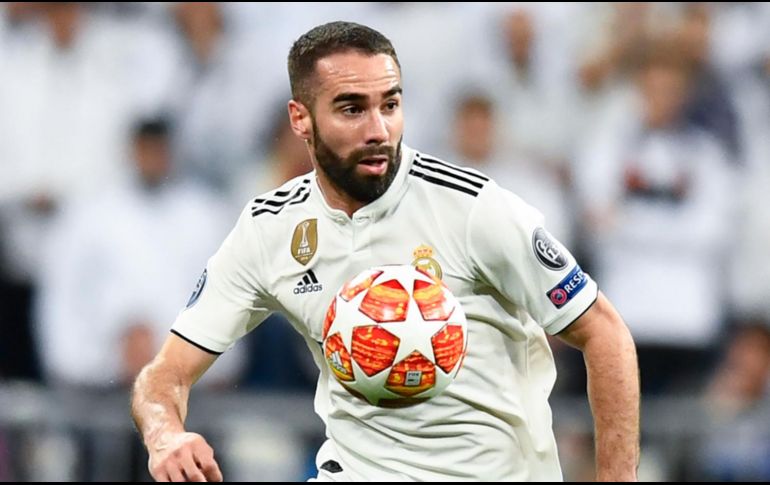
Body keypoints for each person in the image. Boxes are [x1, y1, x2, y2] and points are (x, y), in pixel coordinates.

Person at [131, 21, 639, 481]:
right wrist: (166, 437)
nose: (378, 130)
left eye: (390, 105)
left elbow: (604, 331)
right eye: (352, 108)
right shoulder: (270, 229)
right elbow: (163, 378)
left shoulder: (473, 209)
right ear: (300, 119)